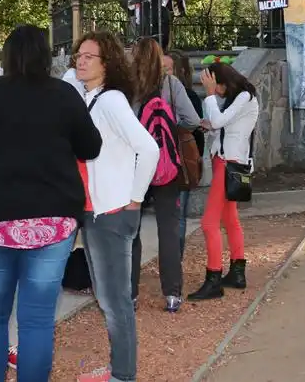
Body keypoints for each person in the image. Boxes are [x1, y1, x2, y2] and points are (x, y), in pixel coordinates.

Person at [0, 25, 101, 382]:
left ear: (7, 58)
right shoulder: (64, 95)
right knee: (38, 320)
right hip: (53, 220)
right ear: (45, 56)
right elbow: (91, 147)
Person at [70, 31, 160, 382]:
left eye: (89, 56)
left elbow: (149, 148)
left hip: (112, 213)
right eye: (79, 54)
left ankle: (123, 374)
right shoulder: (92, 98)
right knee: (108, 299)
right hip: (97, 211)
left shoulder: (110, 101)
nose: (80, 59)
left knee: (115, 302)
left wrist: (134, 199)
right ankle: (118, 368)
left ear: (106, 64)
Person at [129, 37, 200, 312]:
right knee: (168, 230)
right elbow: (193, 120)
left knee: (132, 232)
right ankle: (172, 294)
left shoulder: (127, 87)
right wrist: (170, 127)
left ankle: (131, 294)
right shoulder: (171, 84)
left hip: (136, 167)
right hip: (167, 165)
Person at [187, 61, 261, 302]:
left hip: (230, 164)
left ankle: (213, 278)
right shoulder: (237, 97)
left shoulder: (245, 97)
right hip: (225, 161)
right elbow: (223, 124)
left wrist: (209, 97)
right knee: (230, 220)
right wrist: (207, 124)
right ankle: (237, 273)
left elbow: (220, 121)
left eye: (214, 85)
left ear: (223, 81)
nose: (215, 91)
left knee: (209, 223)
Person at [166, 50, 205, 257]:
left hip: (180, 162)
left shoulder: (188, 96)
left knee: (179, 215)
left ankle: (175, 259)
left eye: (168, 68)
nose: (163, 72)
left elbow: (195, 126)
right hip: (161, 161)